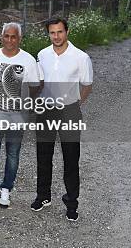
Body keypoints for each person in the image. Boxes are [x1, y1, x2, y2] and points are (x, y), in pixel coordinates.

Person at [32, 17, 93, 222]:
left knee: (70, 159)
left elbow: (87, 86)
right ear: (48, 34)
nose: (56, 36)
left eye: (60, 32)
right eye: (52, 33)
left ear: (67, 31)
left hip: (69, 111)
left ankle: (72, 203)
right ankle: (43, 196)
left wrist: (75, 104)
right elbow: (39, 83)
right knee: (43, 155)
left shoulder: (80, 57)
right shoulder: (42, 54)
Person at [0, 23, 40, 208]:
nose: (10, 40)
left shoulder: (28, 60)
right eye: (7, 36)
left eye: (14, 37)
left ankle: (6, 188)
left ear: (19, 38)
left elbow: (35, 86)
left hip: (17, 118)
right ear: (1, 37)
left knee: (13, 154)